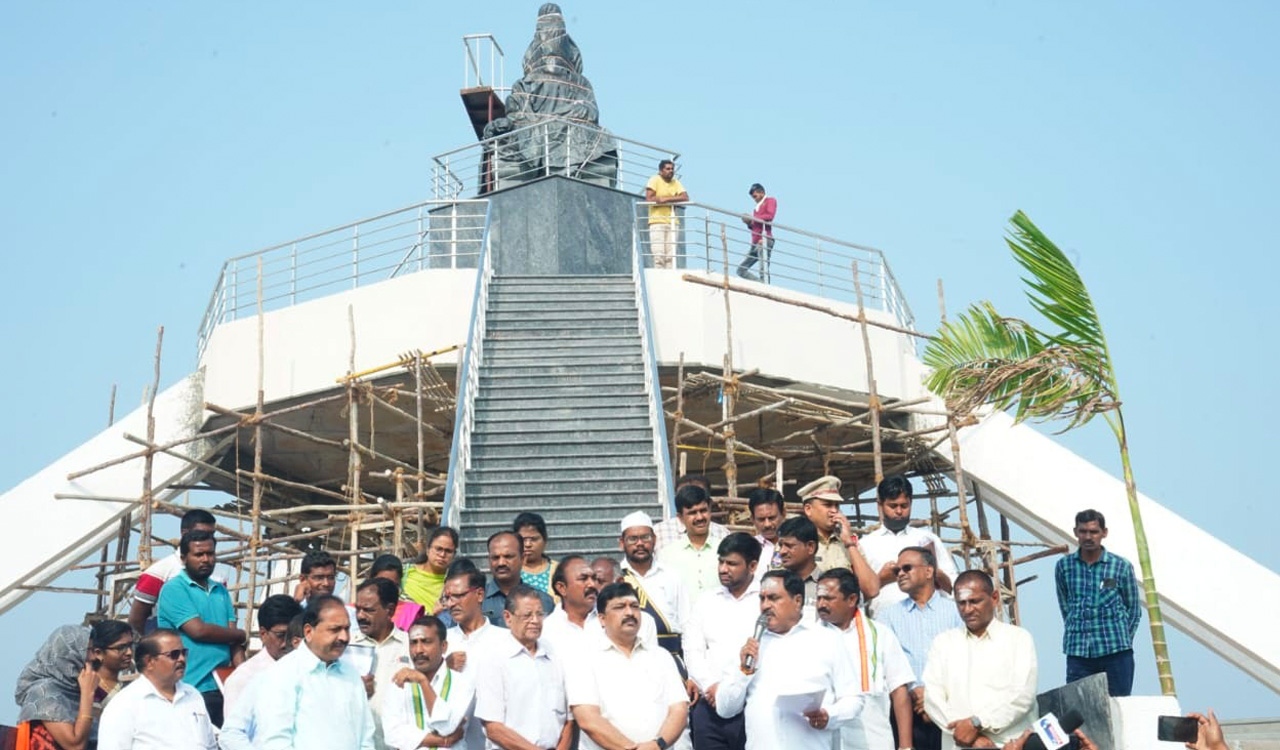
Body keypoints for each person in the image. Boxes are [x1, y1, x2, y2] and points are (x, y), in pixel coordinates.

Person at [714, 570, 867, 750]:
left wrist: (829, 716)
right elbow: (725, 710)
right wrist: (743, 671)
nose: (765, 606)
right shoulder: (749, 645)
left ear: (797, 601)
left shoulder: (827, 639)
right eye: (762, 599)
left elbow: (853, 698)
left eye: (773, 598)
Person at [564, 582, 690, 750]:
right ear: (602, 619)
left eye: (635, 606)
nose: (630, 613)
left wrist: (657, 745)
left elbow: (679, 709)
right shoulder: (585, 658)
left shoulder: (661, 656)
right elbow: (588, 719)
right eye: (620, 607)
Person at [922, 571, 1037, 750]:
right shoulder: (943, 643)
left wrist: (977, 723)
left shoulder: (1018, 639)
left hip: (1011, 745)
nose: (967, 610)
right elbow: (933, 700)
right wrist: (971, 738)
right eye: (961, 603)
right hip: (961, 745)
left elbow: (1023, 697)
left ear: (994, 598)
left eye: (974, 601)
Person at [254, 595, 377, 750]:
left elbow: (366, 736)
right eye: (335, 630)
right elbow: (275, 742)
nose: (344, 637)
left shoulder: (351, 674)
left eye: (346, 629)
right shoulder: (283, 674)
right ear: (308, 632)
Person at [816, 568, 915, 750]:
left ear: (852, 599)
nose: (821, 604)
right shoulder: (808, 636)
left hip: (871, 739)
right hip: (821, 739)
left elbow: (899, 690)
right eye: (819, 598)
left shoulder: (880, 634)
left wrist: (906, 746)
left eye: (828, 598)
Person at [876, 546, 964, 750]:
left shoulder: (956, 612)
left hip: (952, 711)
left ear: (929, 571)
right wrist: (916, 692)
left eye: (907, 568)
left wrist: (932, 696)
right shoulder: (887, 617)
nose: (900, 574)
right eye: (897, 571)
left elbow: (963, 659)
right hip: (907, 715)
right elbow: (887, 666)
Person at [156, 528, 246, 727]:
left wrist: (243, 678)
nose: (206, 559)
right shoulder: (174, 589)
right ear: (183, 558)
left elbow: (234, 642)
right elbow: (198, 631)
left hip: (224, 686)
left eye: (210, 553)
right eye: (199, 554)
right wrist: (240, 634)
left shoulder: (220, 590)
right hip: (189, 688)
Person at [683, 533, 762, 750]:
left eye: (732, 563)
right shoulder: (706, 601)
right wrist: (711, 687)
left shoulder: (764, 600)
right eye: (721, 561)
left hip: (752, 705)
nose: (723, 569)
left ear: (752, 566)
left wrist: (732, 693)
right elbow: (692, 649)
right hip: (708, 706)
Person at [1054, 509, 1142, 697]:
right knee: (1079, 710)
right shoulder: (1064, 567)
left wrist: (1123, 639)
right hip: (1079, 653)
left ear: (1104, 533)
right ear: (1075, 532)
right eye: (1083, 531)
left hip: (1115, 653)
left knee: (1119, 709)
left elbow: (1134, 609)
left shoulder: (1120, 566)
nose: (1088, 537)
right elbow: (1065, 607)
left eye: (1094, 532)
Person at [475, 586, 575, 750]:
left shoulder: (554, 654)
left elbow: (569, 718)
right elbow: (493, 728)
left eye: (539, 614)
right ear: (508, 617)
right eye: (527, 615)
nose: (535, 621)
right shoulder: (494, 659)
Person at [97, 628, 218, 750]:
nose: (182, 659)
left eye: (184, 653)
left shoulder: (192, 695)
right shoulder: (125, 704)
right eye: (174, 654)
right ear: (149, 661)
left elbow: (210, 745)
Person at [861, 475, 958, 619]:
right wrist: (881, 579)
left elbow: (953, 589)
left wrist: (935, 574)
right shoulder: (865, 545)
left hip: (929, 619)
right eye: (893, 506)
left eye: (904, 506)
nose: (899, 511)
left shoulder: (927, 539)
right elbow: (857, 596)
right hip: (883, 624)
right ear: (880, 505)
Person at [128, 508, 231, 634]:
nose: (207, 538)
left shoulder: (219, 575)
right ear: (184, 533)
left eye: (211, 534)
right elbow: (136, 620)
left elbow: (224, 614)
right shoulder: (159, 572)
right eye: (201, 532)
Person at [442, 569, 510, 750]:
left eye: (458, 596)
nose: (451, 603)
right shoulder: (442, 643)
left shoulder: (506, 640)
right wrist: (443, 670)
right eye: (447, 598)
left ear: (479, 594)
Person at [382, 615, 473, 750]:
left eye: (426, 641)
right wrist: (441, 741)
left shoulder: (462, 683)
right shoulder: (399, 682)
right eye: (413, 642)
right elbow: (392, 735)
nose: (418, 650)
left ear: (443, 646)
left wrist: (423, 682)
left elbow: (446, 727)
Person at [219, 614, 306, 750]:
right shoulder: (259, 680)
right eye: (281, 635)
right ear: (297, 642)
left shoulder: (331, 680)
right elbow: (231, 734)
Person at [543, 555, 660, 656]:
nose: (593, 584)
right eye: (583, 579)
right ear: (562, 588)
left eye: (594, 578)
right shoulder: (546, 629)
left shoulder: (629, 621)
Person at [15, 624, 99, 750]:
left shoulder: (74, 689)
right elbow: (75, 745)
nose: (94, 657)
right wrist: (87, 694)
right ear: (67, 653)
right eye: (88, 650)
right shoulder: (43, 693)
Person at [352, 578, 414, 750]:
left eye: (369, 610)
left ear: (390, 610)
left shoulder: (410, 647)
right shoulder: (346, 647)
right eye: (358, 609)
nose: (360, 616)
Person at [619, 511, 689, 660]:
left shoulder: (672, 576)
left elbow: (687, 624)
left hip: (671, 658)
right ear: (621, 543)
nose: (640, 543)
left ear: (655, 539)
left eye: (645, 537)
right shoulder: (617, 577)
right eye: (632, 539)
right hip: (628, 658)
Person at [798, 477, 880, 600]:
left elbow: (871, 590)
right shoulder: (796, 542)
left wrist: (849, 543)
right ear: (808, 509)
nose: (834, 511)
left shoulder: (850, 543)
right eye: (827, 505)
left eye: (837, 505)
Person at [222, 594, 303, 713]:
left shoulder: (310, 670)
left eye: (295, 635)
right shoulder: (243, 679)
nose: (288, 642)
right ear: (263, 634)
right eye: (281, 635)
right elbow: (235, 730)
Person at [656, 485, 724, 598]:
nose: (700, 517)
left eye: (703, 511)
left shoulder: (724, 548)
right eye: (692, 513)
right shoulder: (667, 555)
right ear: (680, 518)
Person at [483, 531, 556, 626]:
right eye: (495, 557)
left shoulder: (543, 601)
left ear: (523, 558)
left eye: (508, 556)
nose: (501, 563)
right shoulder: (476, 601)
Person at [644, 159, 689, 269]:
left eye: (672, 169)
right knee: (658, 254)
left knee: (671, 256)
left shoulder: (676, 182)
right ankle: (659, 277)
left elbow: (685, 197)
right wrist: (668, 199)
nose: (671, 171)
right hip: (657, 221)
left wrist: (666, 199)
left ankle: (669, 278)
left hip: (673, 222)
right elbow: (649, 198)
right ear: (661, 171)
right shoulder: (654, 180)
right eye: (667, 169)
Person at [775, 516, 822, 618]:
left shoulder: (828, 586)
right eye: (781, 545)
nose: (782, 551)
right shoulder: (775, 586)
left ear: (810, 547)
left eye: (789, 546)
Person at [406, 527, 459, 613]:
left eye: (448, 551)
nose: (442, 555)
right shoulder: (405, 573)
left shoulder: (455, 582)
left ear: (454, 555)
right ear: (428, 550)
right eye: (438, 549)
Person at [88, 620, 134, 719]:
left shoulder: (132, 688)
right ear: (98, 653)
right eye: (121, 648)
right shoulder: (88, 688)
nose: (129, 652)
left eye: (130, 646)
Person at [370, 554, 426, 631]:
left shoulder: (411, 612)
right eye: (381, 583)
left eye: (392, 585)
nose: (386, 588)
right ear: (370, 579)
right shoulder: (355, 610)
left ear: (399, 584)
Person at [736, 184, 777, 282]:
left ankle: (765, 285)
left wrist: (753, 219)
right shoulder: (756, 208)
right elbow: (756, 227)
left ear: (762, 193)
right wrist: (749, 223)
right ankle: (761, 284)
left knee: (763, 269)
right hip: (755, 242)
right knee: (741, 270)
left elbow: (770, 216)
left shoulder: (770, 200)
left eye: (755, 196)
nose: (754, 199)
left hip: (765, 238)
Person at [747, 488, 785, 584]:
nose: (767, 524)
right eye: (761, 519)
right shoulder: (747, 548)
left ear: (783, 514)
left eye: (772, 518)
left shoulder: (797, 545)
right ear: (752, 519)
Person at [515, 512, 558, 597]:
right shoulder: (511, 571)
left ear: (544, 540)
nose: (528, 544)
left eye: (534, 539)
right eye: (523, 539)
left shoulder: (558, 570)